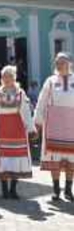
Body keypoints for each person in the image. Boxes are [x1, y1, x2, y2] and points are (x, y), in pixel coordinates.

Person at [0, 65, 36, 199]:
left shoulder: (20, 93)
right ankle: (4, 190)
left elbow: (26, 112)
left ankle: (13, 189)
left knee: (16, 160)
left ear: (14, 78)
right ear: (1, 78)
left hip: (17, 130)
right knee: (3, 161)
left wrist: (31, 129)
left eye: (9, 76)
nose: (6, 79)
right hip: (1, 129)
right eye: (4, 76)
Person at [35, 52, 74, 201]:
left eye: (62, 62)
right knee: (55, 158)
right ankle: (56, 190)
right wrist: (37, 120)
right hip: (54, 124)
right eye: (57, 62)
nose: (59, 65)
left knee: (72, 158)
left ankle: (69, 190)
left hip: (72, 124)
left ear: (69, 63)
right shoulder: (50, 81)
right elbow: (42, 101)